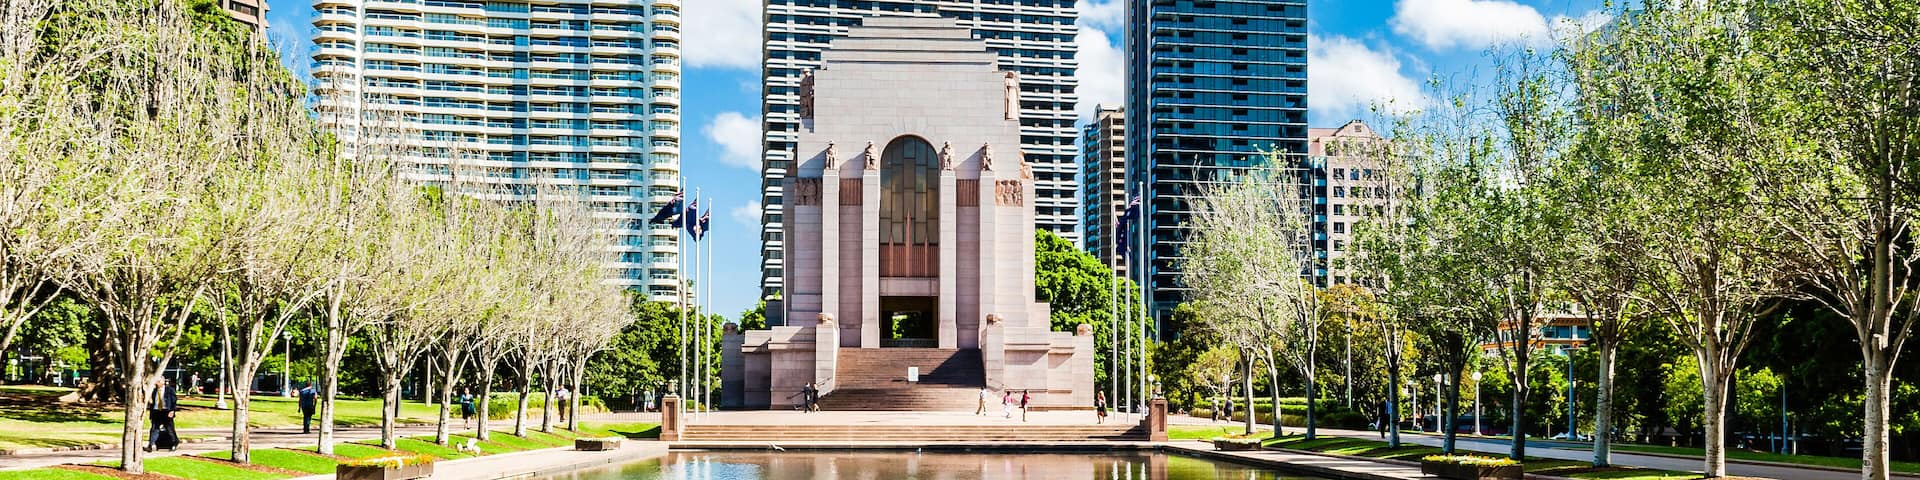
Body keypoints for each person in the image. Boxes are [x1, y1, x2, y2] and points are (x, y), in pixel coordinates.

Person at [145, 377, 178, 452]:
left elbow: (174, 401)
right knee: (154, 429)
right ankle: (150, 445)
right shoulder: (154, 391)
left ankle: (174, 443)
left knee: (170, 429)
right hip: (156, 411)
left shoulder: (169, 390)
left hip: (166, 411)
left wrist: (172, 410)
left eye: (159, 381)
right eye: (156, 381)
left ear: (163, 382)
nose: (157, 383)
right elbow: (153, 402)